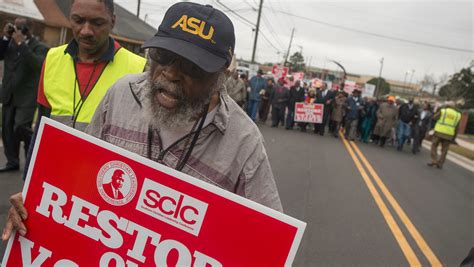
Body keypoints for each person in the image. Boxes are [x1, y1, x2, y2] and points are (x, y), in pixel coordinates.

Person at [3, 1, 283, 243]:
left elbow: (268, 242)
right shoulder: (121, 94)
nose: (170, 73)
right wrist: (38, 206)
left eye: (191, 67)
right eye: (162, 56)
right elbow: (78, 180)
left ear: (222, 75)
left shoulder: (244, 143)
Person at [22, 0, 146, 178]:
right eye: (78, 20)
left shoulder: (138, 68)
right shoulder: (52, 59)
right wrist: (28, 180)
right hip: (52, 171)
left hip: (98, 181)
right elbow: (42, 126)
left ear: (113, 21)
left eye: (97, 23)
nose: (86, 31)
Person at [0, 18, 48, 172]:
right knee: (7, 129)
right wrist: (6, 37)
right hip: (9, 93)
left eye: (21, 27)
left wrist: (22, 45)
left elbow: (38, 65)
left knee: (20, 126)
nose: (18, 30)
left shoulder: (39, 47)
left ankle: (32, 153)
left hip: (27, 96)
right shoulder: (9, 44)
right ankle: (12, 161)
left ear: (29, 29)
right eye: (16, 26)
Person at [427, 101, 461, 169]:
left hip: (439, 132)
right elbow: (457, 127)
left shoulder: (443, 111)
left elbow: (434, 118)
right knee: (444, 150)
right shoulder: (458, 115)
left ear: (447, 106)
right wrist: (454, 137)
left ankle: (434, 160)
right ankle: (440, 163)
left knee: (434, 146)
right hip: (449, 134)